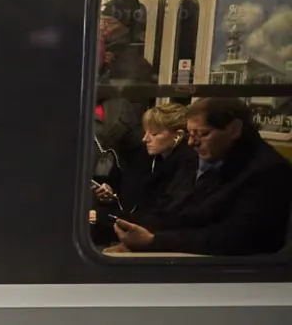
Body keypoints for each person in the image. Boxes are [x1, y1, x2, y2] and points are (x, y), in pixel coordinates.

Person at [111, 98, 292, 256]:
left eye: (203, 134)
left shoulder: (268, 172)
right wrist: (130, 226)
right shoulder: (205, 159)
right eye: (191, 134)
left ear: (235, 129)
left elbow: (236, 238)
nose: (191, 143)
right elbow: (176, 211)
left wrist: (154, 241)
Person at [92, 103, 195, 225]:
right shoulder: (151, 158)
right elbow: (135, 201)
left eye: (154, 134)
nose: (145, 139)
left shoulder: (186, 165)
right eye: (145, 132)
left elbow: (160, 215)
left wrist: (104, 217)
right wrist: (113, 195)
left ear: (177, 136)